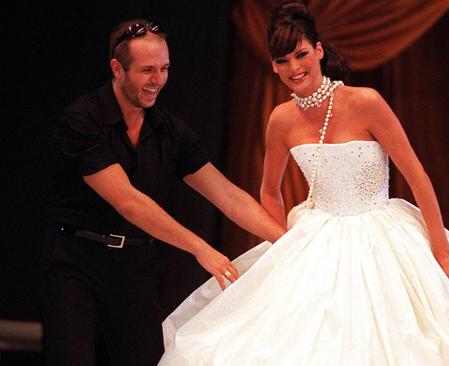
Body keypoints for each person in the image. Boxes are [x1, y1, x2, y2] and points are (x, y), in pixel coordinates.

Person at [159, 3, 449, 365]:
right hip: (316, 236)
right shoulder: (280, 119)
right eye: (282, 61)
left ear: (319, 50)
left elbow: (417, 176)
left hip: (383, 233)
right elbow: (269, 190)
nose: (294, 68)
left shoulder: (366, 102)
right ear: (272, 65)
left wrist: (444, 254)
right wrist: (282, 248)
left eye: (301, 54)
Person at [40, 19, 286, 366]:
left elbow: (227, 195)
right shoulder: (83, 120)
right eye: (147, 71)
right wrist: (202, 248)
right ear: (117, 68)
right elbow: (128, 202)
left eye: (164, 69)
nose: (158, 81)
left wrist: (288, 241)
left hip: (135, 266)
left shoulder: (170, 130)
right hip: (76, 261)